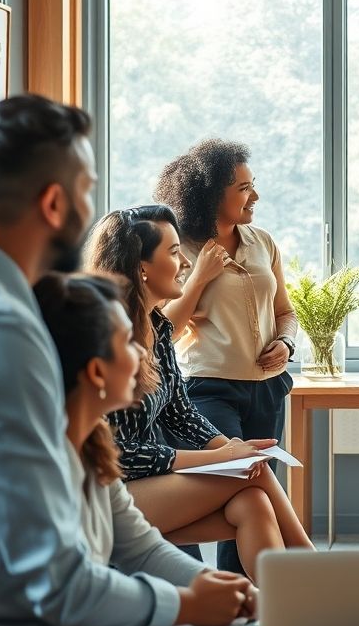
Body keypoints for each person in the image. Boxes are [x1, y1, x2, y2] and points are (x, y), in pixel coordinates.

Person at [0, 95, 250, 626]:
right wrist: (185, 605)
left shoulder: (1, 305)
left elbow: (119, 532)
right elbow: (53, 575)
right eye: (86, 191)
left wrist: (202, 584)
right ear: (56, 205)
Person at [85, 206, 313, 578]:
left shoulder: (156, 328)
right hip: (105, 496)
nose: (186, 264)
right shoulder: (104, 339)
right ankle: (318, 575)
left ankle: (273, 613)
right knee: (252, 475)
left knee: (253, 499)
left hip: (146, 486)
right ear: (140, 267)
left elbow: (180, 411)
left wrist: (229, 449)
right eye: (174, 253)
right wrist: (221, 459)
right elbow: (120, 453)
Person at [33, 272, 255, 626]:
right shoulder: (39, 465)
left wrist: (227, 589)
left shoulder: (92, 448)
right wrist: (188, 605)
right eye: (127, 342)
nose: (141, 350)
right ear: (96, 372)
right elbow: (71, 593)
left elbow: (142, 548)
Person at [155, 139, 299, 574]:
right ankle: (200, 585)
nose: (254, 195)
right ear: (211, 194)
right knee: (235, 481)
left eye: (252, 185)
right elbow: (164, 331)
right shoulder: (179, 251)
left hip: (267, 389)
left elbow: (285, 312)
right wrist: (198, 277)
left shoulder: (264, 243)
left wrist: (287, 344)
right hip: (207, 389)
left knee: (250, 497)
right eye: (243, 187)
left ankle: (244, 593)